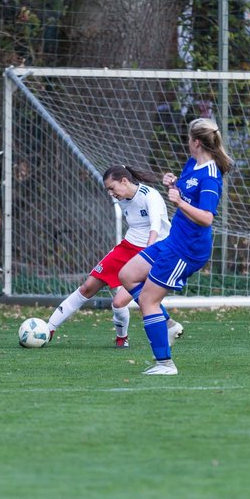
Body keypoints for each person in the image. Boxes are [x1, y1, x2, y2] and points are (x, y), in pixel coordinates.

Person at [115, 117, 233, 375]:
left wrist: (179, 202)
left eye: (189, 140)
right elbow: (185, 191)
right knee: (127, 275)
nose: (187, 145)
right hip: (173, 240)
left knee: (147, 299)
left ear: (197, 142)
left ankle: (165, 364)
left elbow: (206, 218)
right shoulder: (193, 164)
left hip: (188, 249)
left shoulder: (211, 176)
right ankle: (166, 324)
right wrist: (174, 183)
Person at [47, 165, 182, 347]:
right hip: (127, 248)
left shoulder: (150, 196)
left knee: (118, 303)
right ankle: (48, 328)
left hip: (153, 250)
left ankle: (141, 333)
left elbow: (155, 228)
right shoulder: (123, 199)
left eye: (112, 188)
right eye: (108, 189)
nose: (111, 193)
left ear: (124, 181)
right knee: (88, 286)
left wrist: (147, 255)